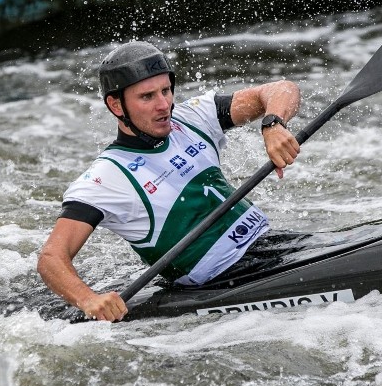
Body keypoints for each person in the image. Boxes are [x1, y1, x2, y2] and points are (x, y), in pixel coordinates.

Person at [37, 41, 301, 321]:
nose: (164, 105)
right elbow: (51, 258)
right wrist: (88, 299)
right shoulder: (107, 177)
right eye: (147, 96)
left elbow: (281, 89)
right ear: (116, 105)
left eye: (166, 90)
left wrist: (273, 123)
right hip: (222, 281)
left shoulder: (191, 118)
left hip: (271, 245)